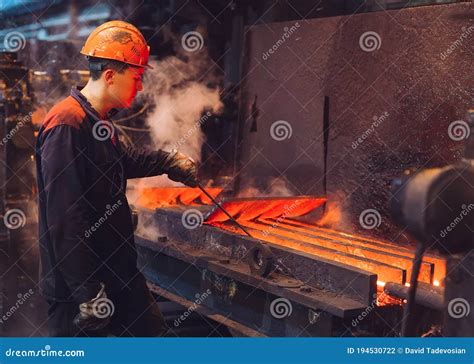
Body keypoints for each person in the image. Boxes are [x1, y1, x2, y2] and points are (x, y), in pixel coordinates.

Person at [35, 20, 197, 337]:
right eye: (136, 78)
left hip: (117, 273)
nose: (139, 87)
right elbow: (66, 219)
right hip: (80, 288)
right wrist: (88, 294)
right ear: (110, 75)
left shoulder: (97, 121)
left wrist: (169, 160)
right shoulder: (68, 123)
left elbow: (120, 161)